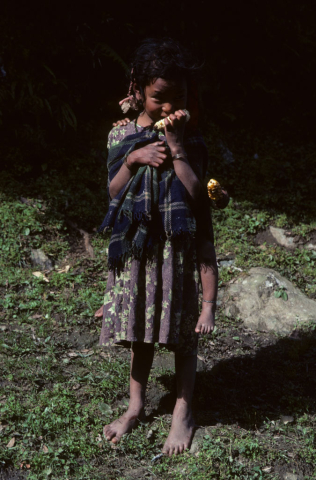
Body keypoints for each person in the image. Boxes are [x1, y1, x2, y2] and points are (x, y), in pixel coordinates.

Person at [99, 38, 229, 456]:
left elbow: (196, 197)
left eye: (179, 97)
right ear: (136, 90)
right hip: (140, 252)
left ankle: (182, 412)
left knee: (182, 338)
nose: (169, 107)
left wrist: (176, 150)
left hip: (177, 252)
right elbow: (113, 192)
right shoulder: (122, 134)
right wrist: (134, 160)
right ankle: (136, 405)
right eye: (159, 98)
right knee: (140, 334)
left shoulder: (190, 136)